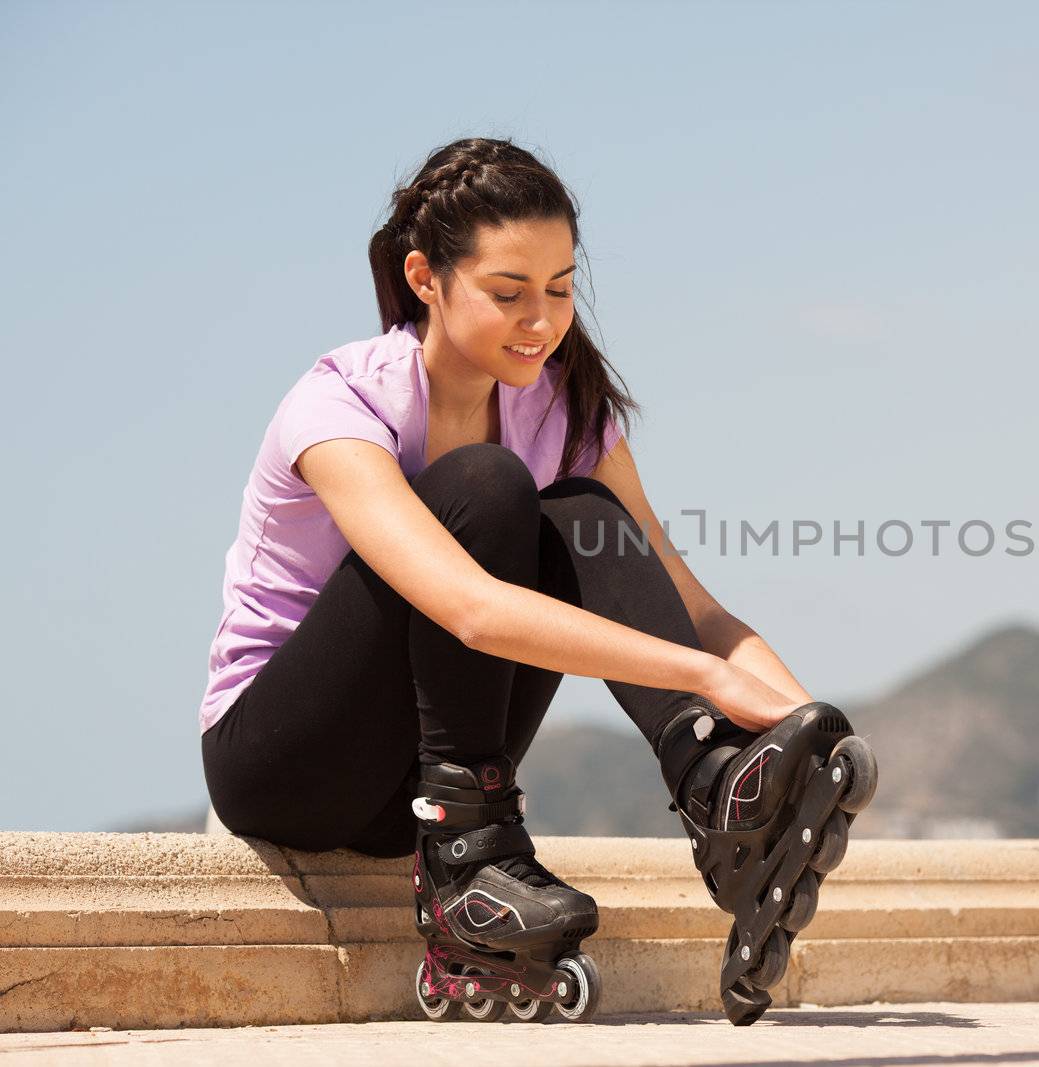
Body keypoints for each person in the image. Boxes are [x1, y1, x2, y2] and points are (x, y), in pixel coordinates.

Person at [198, 137, 850, 1022]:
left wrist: (804, 730)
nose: (541, 320)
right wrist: (704, 675)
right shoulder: (341, 403)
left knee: (578, 509)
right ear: (425, 277)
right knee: (487, 484)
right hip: (283, 767)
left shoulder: (563, 408)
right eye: (509, 293)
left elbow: (686, 603)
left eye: (560, 288)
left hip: (412, 793)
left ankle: (709, 784)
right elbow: (468, 608)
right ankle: (471, 866)